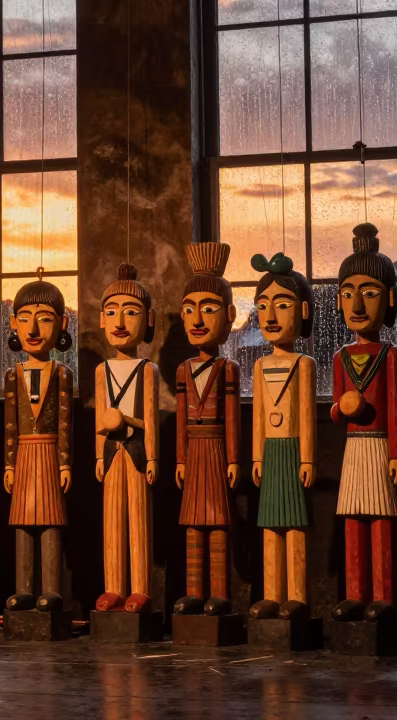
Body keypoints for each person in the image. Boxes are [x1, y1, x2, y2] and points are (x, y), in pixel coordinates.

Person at [329, 223, 397, 624]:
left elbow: (395, 408)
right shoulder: (341, 356)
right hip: (354, 450)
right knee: (353, 519)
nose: (357, 305)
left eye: (370, 293)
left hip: (378, 446)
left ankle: (384, 595)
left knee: (380, 519)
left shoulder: (392, 355)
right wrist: (342, 406)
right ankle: (355, 593)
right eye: (348, 294)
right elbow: (334, 412)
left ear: (389, 299)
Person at [248, 252, 317, 623]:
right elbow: (258, 415)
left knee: (294, 525)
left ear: (303, 311)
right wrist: (256, 456)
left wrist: (307, 457)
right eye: (262, 306)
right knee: (270, 525)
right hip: (271, 453)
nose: (271, 316)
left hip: (292, 451)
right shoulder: (259, 365)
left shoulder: (304, 365)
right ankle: (272, 594)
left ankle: (298, 595)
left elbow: (307, 416)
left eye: (282, 304)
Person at [172, 240, 239, 617]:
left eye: (208, 309)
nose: (197, 320)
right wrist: (180, 458)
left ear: (229, 316)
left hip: (215, 450)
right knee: (192, 523)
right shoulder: (183, 370)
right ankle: (195, 591)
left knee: (217, 521)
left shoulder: (227, 370)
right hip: (194, 453)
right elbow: (181, 417)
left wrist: (233, 458)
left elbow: (232, 417)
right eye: (189, 310)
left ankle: (220, 593)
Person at [3, 279, 74, 613]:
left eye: (44, 318)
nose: (32, 327)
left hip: (47, 454)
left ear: (62, 324)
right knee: (21, 522)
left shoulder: (62, 373)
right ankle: (24, 590)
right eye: (25, 317)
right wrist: (8, 464)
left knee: (49, 522)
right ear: (13, 322)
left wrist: (64, 463)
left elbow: (64, 422)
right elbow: (10, 425)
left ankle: (51, 590)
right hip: (25, 455)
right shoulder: (13, 374)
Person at [94, 263, 158, 615]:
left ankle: (141, 588)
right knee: (111, 523)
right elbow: (99, 423)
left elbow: (150, 421)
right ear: (102, 319)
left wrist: (153, 459)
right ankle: (113, 588)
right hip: (110, 451)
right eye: (112, 311)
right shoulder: (101, 371)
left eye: (130, 312)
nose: (119, 321)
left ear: (147, 320)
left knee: (137, 519)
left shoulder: (147, 370)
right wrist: (98, 457)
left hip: (136, 451)